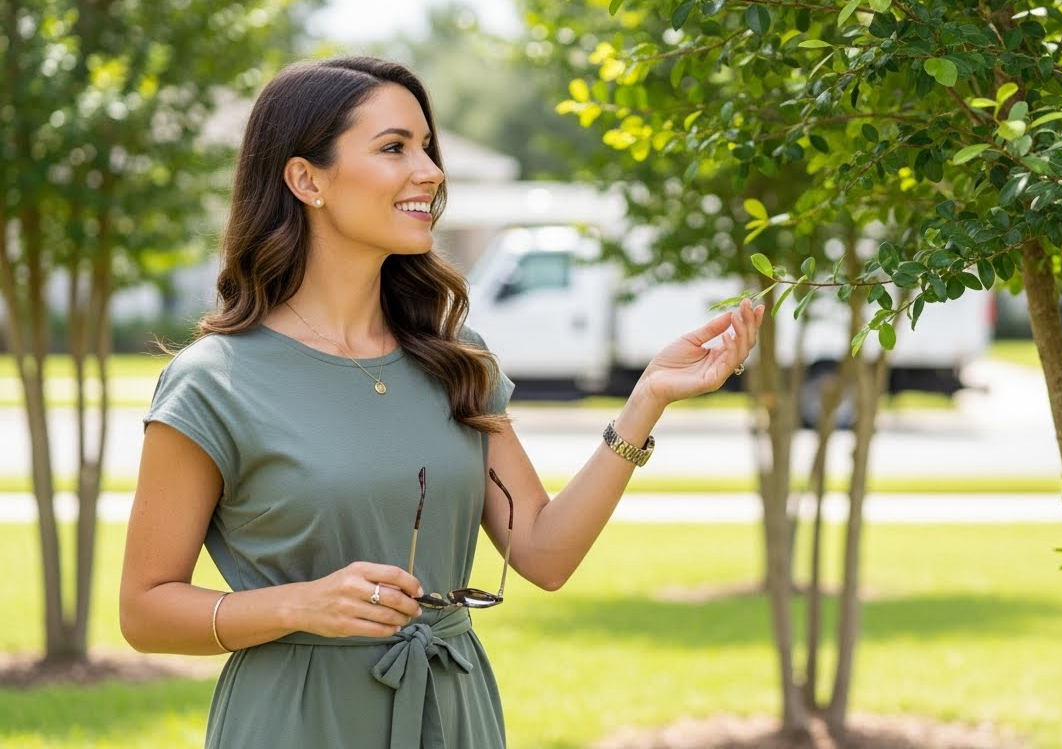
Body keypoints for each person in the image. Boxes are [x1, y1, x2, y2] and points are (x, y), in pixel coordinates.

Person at [118, 55, 765, 748]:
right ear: (307, 179)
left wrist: (647, 400)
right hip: (298, 722)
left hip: (454, 712)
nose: (429, 170)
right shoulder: (214, 380)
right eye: (395, 148)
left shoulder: (455, 354)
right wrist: (299, 604)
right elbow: (145, 608)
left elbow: (544, 555)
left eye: (427, 147)